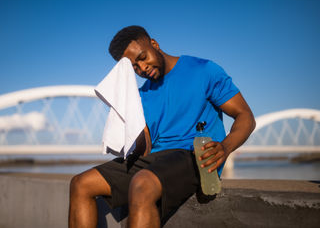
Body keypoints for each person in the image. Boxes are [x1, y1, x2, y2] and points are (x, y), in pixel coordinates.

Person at [68, 25, 255, 228]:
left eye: (142, 57)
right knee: (80, 184)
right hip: (156, 161)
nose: (142, 68)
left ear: (154, 44)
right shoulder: (140, 96)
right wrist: (127, 116)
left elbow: (245, 116)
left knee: (142, 184)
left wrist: (225, 148)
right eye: (134, 68)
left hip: (193, 155)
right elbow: (145, 150)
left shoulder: (203, 70)